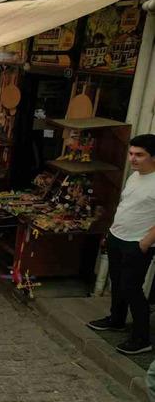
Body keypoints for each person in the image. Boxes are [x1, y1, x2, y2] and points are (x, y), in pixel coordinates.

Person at [87, 134, 155, 355]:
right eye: (131, 153)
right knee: (117, 282)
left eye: (140, 155)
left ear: (153, 157)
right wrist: (111, 232)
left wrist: (144, 243)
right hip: (118, 237)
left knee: (132, 288)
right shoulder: (134, 177)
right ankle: (116, 319)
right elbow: (127, 206)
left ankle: (141, 337)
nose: (133, 159)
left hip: (137, 243)